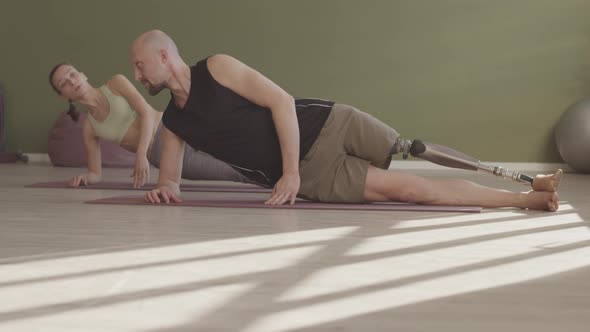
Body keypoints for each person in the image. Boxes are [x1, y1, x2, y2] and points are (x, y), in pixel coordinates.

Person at [130, 29, 560, 211]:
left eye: (139, 65)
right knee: (412, 189)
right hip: (318, 174)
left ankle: (524, 179)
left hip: (326, 123)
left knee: (413, 148)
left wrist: (290, 172)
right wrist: (163, 190)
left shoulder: (218, 68)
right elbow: (170, 181)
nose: (137, 75)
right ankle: (528, 200)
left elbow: (281, 102)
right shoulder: (174, 123)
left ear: (164, 56)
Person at [48, 63, 252, 187]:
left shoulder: (116, 84)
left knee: (238, 145)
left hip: (175, 128)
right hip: (160, 155)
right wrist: (86, 178)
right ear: (61, 96)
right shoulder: (89, 128)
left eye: (72, 74)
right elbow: (96, 173)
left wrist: (139, 154)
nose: (72, 82)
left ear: (82, 74)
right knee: (231, 173)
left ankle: (283, 166)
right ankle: (277, 184)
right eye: (63, 83)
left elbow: (146, 112)